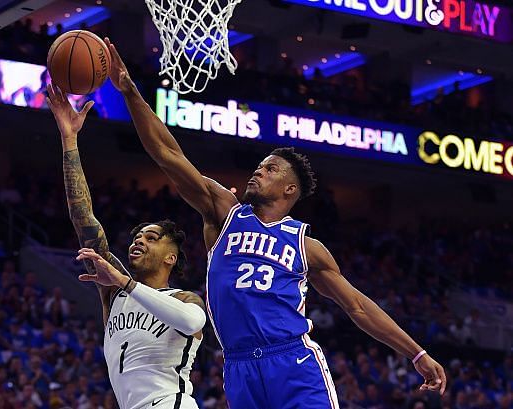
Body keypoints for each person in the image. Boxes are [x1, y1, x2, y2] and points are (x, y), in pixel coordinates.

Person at [102, 38, 448, 408]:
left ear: (289, 187)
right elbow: (168, 154)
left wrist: (416, 353)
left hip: (293, 362)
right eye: (259, 166)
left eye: (269, 169)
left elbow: (358, 308)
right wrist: (131, 92)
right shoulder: (224, 213)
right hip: (237, 366)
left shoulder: (306, 246)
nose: (258, 171)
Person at [46, 84, 206, 409]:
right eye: (137, 236)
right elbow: (82, 216)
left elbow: (192, 323)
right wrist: (69, 139)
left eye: (151, 238)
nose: (138, 241)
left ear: (170, 258)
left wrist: (123, 281)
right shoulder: (114, 293)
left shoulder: (182, 299)